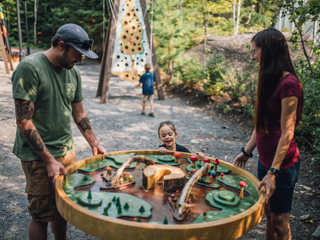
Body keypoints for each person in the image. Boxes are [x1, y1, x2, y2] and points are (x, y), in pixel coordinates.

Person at [11, 23, 107, 240]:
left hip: (66, 152)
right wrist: (48, 161)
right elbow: (23, 121)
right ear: (61, 45)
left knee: (62, 206)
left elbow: (79, 113)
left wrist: (94, 142)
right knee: (41, 214)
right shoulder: (30, 68)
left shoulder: (72, 72)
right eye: (77, 54)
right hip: (38, 158)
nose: (81, 60)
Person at [233, 28, 303, 240]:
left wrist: (273, 172)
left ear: (270, 51)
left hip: (282, 166)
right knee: (269, 214)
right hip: (265, 163)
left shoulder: (289, 84)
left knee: (280, 222)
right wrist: (246, 151)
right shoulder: (269, 79)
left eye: (255, 51)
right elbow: (261, 124)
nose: (252, 56)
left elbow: (287, 133)